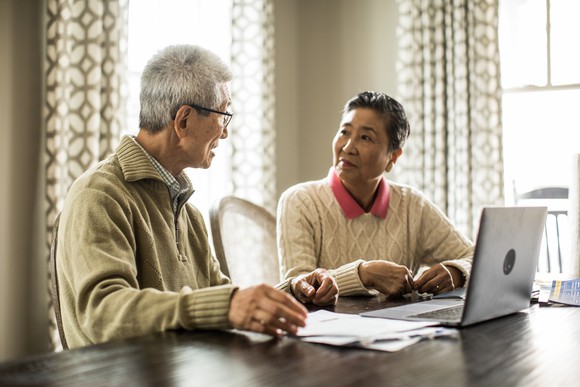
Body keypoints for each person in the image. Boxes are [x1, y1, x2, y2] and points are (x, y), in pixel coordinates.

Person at [57, 45, 337, 349]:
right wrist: (226, 305)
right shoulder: (99, 194)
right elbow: (102, 314)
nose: (226, 132)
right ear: (184, 120)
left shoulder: (187, 211)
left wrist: (293, 293)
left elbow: (219, 298)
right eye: (223, 113)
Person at [277, 91, 474, 299]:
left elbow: (477, 258)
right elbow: (296, 288)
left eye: (365, 137)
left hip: (401, 329)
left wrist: (457, 272)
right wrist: (363, 275)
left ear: (393, 157)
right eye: (344, 132)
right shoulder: (300, 201)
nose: (348, 147)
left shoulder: (412, 205)